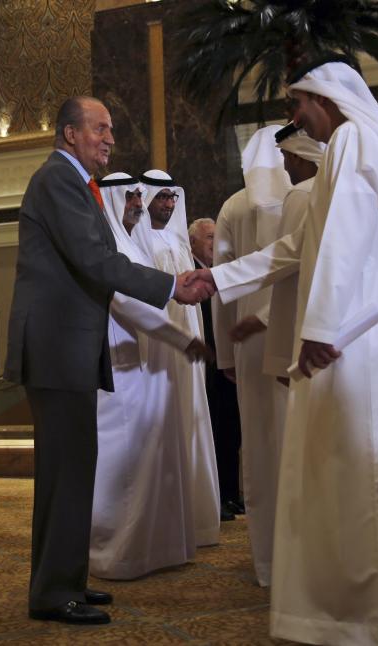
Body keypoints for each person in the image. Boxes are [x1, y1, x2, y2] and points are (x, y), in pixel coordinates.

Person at [202, 57, 378, 644]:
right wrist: (221, 280)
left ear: (325, 98)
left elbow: (346, 238)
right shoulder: (371, 148)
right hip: (367, 341)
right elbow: (301, 245)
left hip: (352, 342)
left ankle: (371, 620)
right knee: (360, 477)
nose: (295, 118)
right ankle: (373, 613)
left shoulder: (354, 140)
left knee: (358, 479)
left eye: (296, 105)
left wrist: (321, 329)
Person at [4, 96, 210, 626]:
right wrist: (170, 285)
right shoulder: (56, 179)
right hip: (56, 349)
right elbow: (97, 261)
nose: (110, 138)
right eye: (100, 129)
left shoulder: (77, 184)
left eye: (111, 129)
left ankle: (67, 580)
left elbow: (103, 261)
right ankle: (52, 593)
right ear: (70, 133)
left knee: (75, 470)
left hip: (70, 348)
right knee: (64, 473)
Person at [90, 172, 204, 580]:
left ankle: (153, 548)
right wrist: (180, 337)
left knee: (148, 457)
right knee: (122, 460)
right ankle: (115, 554)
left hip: (149, 366)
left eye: (140, 197)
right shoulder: (108, 243)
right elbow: (126, 301)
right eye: (132, 198)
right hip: (121, 365)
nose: (138, 204)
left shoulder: (128, 241)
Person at [212, 125, 292, 587]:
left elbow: (222, 285)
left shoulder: (232, 206)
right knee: (296, 445)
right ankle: (302, 556)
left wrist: (225, 350)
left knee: (259, 449)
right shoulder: (305, 196)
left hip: (247, 341)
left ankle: (267, 560)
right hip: (292, 335)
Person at [138, 169, 222, 547]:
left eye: (173, 197)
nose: (169, 204)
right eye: (161, 198)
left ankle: (198, 520)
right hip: (158, 346)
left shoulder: (176, 240)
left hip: (189, 344)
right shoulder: (138, 240)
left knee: (193, 418)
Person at [189, 218, 243, 521]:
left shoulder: (225, 271)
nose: (214, 242)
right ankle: (218, 497)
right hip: (206, 363)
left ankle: (232, 495)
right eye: (209, 237)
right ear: (194, 241)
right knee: (215, 430)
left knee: (231, 431)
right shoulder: (191, 271)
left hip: (227, 361)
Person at [261, 125, 324, 382]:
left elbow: (286, 271)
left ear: (296, 156)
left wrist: (283, 356)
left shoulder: (301, 194)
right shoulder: (340, 185)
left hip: (308, 334)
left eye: (286, 158)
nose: (285, 168)